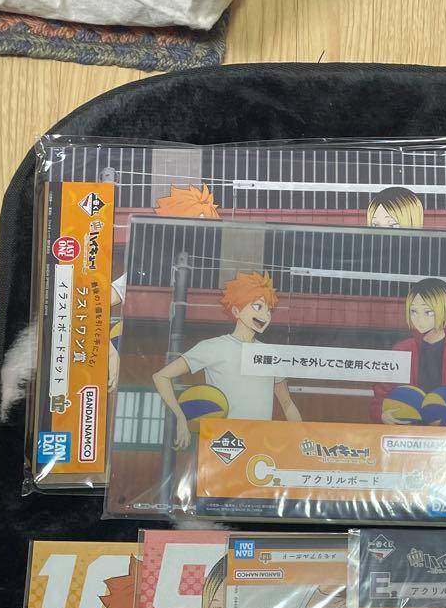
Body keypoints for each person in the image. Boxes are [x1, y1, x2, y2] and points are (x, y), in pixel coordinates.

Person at [152, 270, 302, 450]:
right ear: (236, 310)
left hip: (260, 445)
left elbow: (287, 403)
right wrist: (181, 417)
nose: (266, 315)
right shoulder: (213, 347)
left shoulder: (271, 354)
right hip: (222, 444)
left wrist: (302, 440)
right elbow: (160, 376)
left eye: (269, 309)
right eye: (258, 306)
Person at [109, 184, 222, 389]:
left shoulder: (210, 273)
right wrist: (111, 350)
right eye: (194, 222)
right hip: (142, 350)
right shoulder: (148, 266)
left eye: (205, 226)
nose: (198, 233)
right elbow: (101, 300)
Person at [371, 277, 446, 428]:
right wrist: (382, 414)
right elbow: (381, 395)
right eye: (413, 311)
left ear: (445, 310)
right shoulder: (401, 349)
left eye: (428, 312)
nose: (419, 319)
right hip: (407, 434)